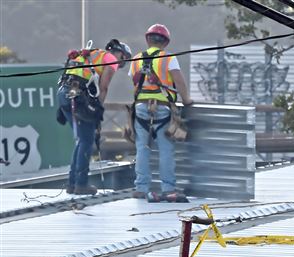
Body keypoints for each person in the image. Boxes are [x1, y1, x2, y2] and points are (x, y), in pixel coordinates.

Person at [55, 39, 132, 195]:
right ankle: (81, 184)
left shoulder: (94, 54)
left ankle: (73, 183)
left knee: (82, 139)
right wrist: (98, 111)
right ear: (121, 54)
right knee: (87, 140)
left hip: (65, 93)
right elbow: (103, 87)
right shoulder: (111, 59)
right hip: (76, 96)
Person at [129, 23, 193, 203]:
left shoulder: (136, 59)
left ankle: (141, 188)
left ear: (147, 39)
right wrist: (187, 101)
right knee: (165, 149)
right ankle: (168, 188)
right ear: (165, 42)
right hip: (162, 107)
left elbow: (134, 84)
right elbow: (179, 82)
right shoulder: (169, 58)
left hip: (141, 107)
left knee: (142, 148)